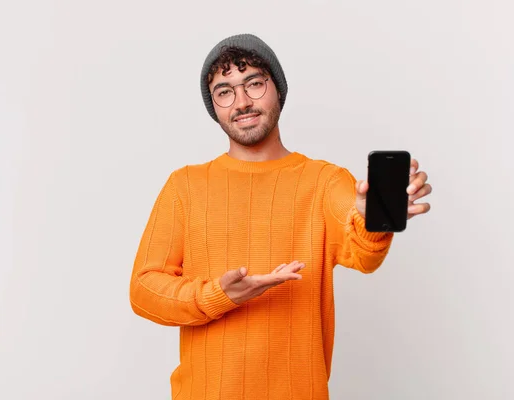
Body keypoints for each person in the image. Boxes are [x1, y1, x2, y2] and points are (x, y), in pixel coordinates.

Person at [129, 33, 432, 400]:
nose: (241, 102)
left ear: (278, 89)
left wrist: (372, 221)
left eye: (254, 84)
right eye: (224, 91)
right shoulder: (185, 186)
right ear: (214, 105)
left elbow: (363, 255)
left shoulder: (324, 181)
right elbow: (144, 290)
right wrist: (218, 296)